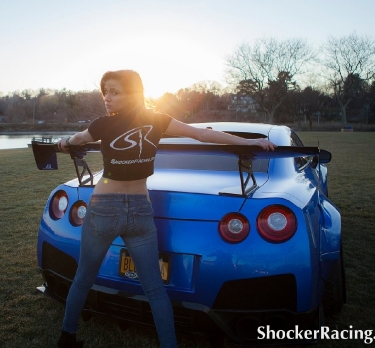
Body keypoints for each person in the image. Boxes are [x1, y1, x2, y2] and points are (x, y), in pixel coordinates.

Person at [56, 70, 276, 348]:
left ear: (132, 93)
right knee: (155, 290)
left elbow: (78, 139)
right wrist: (249, 142)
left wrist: (64, 143)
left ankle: (67, 337)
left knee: (83, 279)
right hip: (138, 212)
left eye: (114, 92)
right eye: (105, 93)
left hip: (105, 210)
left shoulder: (102, 125)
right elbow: (200, 135)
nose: (107, 99)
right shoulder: (156, 120)